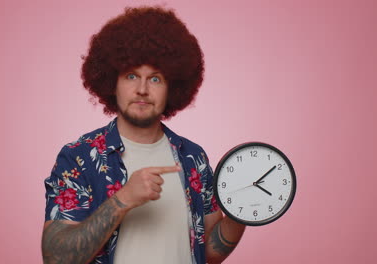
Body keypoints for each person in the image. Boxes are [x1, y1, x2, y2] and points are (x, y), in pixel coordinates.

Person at [41, 6, 245, 264]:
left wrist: (243, 212)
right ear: (112, 83)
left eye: (156, 79)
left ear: (173, 86)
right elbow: (56, 258)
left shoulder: (193, 158)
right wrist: (123, 200)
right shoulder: (79, 158)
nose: (142, 89)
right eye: (131, 75)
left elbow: (209, 253)